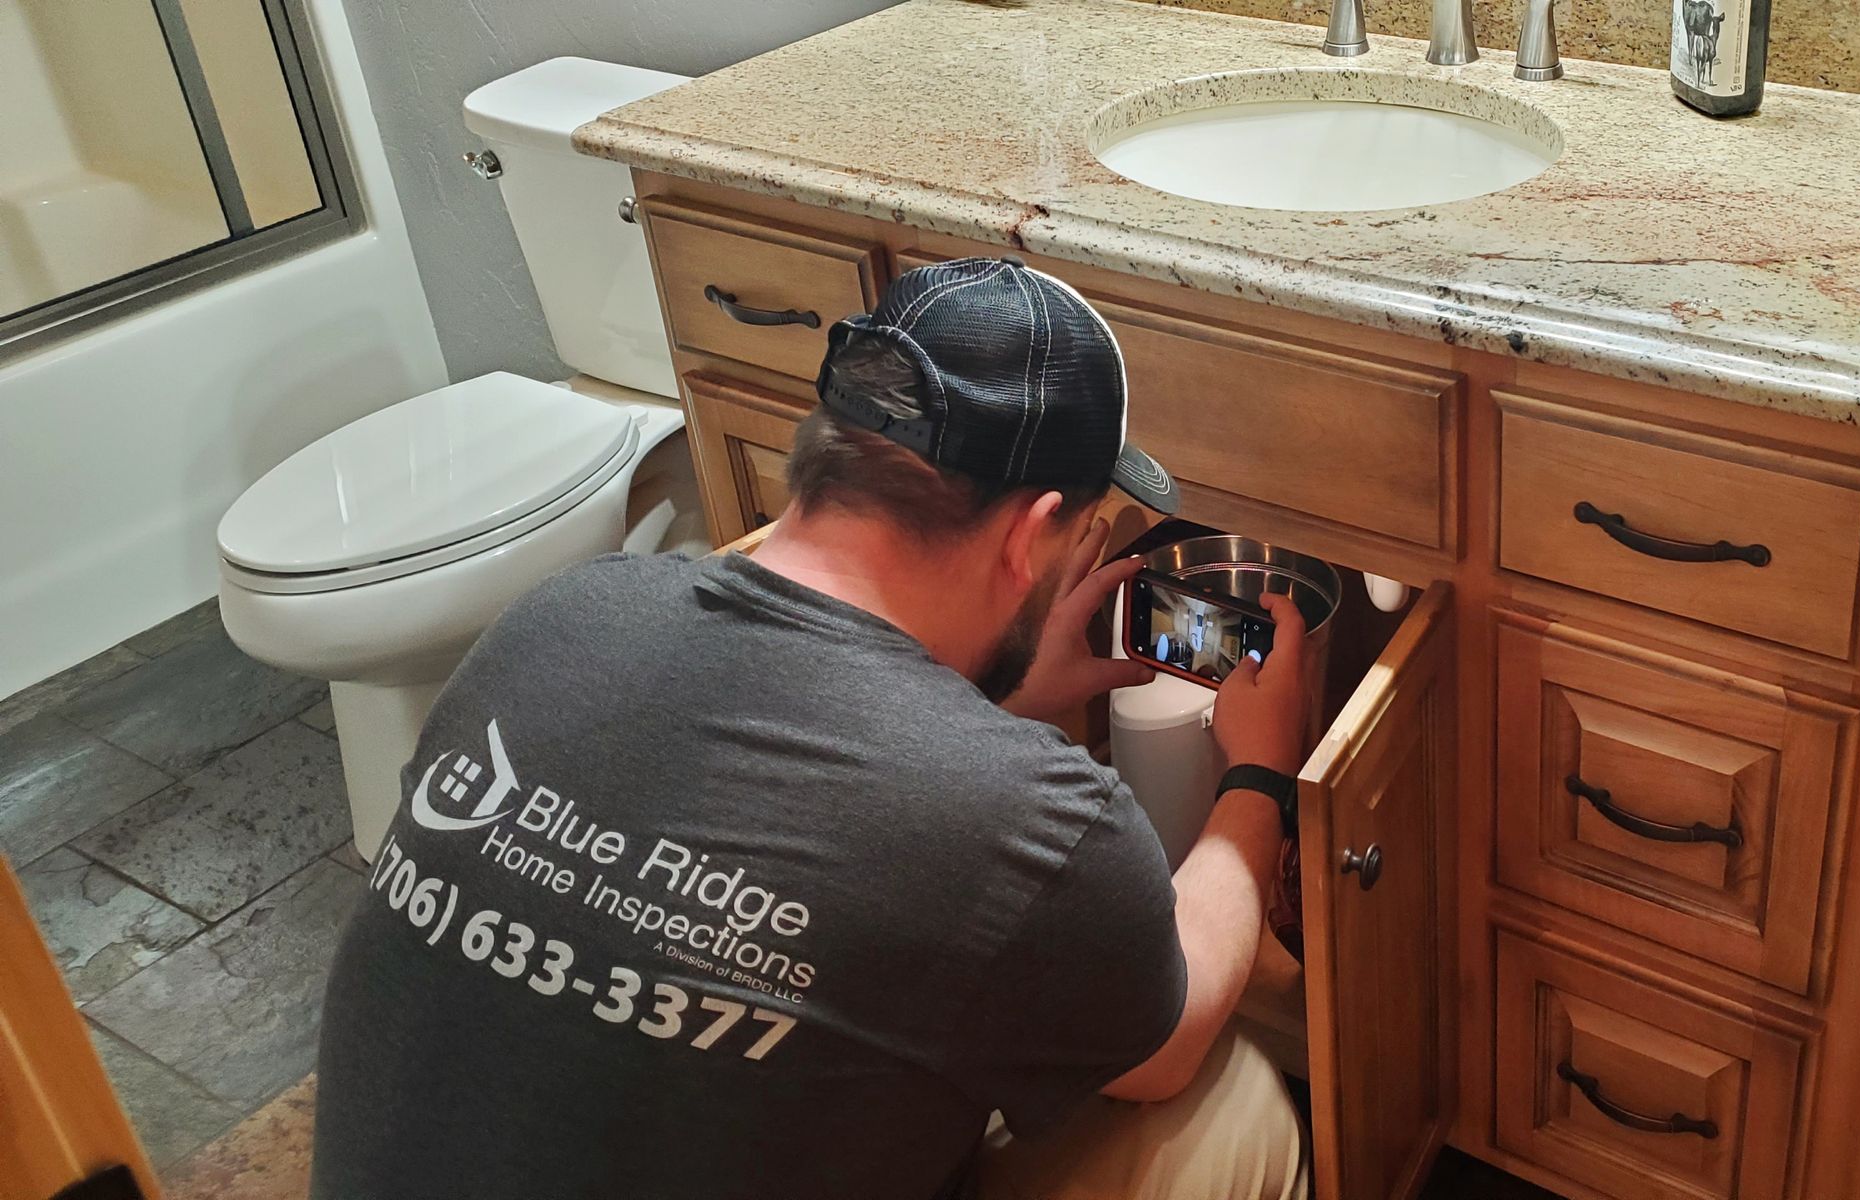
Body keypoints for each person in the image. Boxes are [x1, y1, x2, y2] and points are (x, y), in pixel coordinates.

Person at [310, 257, 1313, 1200]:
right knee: (1234, 1111)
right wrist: (1258, 777)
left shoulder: (561, 616)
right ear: (1027, 533)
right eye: (1077, 535)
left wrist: (989, 704)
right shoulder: (1027, 819)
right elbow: (1163, 1042)